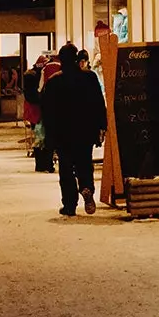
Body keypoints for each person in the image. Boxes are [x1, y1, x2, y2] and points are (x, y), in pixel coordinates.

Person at [40, 42, 106, 217]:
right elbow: (99, 104)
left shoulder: (54, 81)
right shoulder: (90, 77)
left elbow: (47, 111)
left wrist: (49, 136)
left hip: (63, 133)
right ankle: (86, 187)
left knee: (66, 168)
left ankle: (69, 204)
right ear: (77, 59)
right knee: (85, 162)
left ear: (61, 60)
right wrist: (102, 126)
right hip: (85, 131)